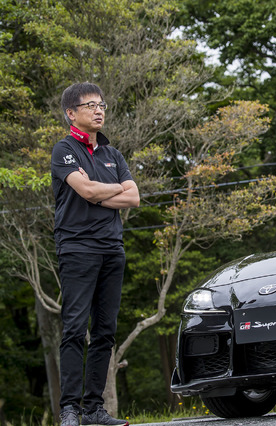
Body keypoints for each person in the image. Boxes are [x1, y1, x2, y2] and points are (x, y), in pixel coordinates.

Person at [51, 82, 140, 426]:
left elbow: (133, 198)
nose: (99, 110)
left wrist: (101, 193)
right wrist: (108, 189)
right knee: (75, 328)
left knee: (105, 331)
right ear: (72, 113)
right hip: (77, 248)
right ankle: (70, 410)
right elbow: (84, 188)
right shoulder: (64, 150)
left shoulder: (112, 154)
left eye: (101, 104)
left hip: (111, 248)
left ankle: (93, 409)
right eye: (90, 105)